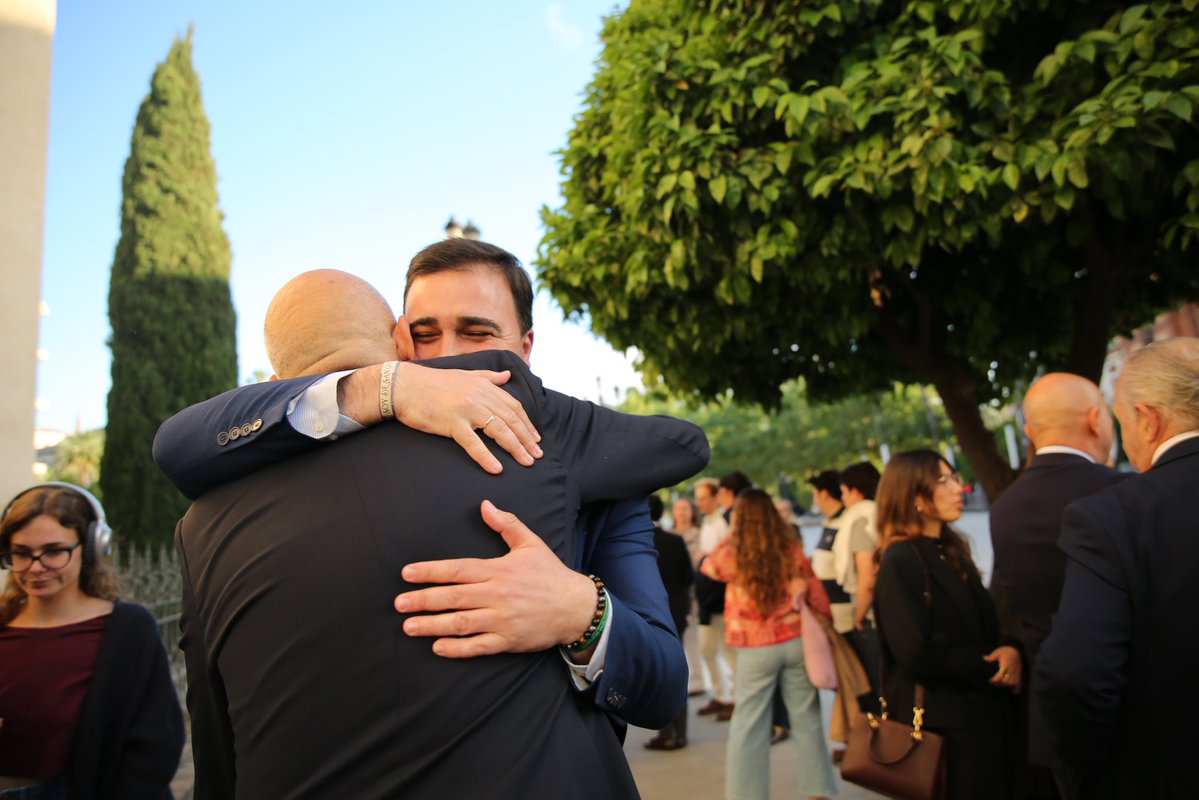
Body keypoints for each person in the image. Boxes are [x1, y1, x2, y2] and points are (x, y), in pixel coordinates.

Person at [170, 267, 707, 797]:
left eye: (476, 335)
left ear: (524, 347)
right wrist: (383, 386)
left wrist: (580, 611)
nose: (448, 357)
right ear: (401, 341)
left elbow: (660, 687)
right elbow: (177, 444)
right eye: (426, 335)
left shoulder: (566, 448)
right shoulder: (223, 507)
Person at [1036, 337, 1199, 799]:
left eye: (1123, 422)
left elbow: (1076, 673)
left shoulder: (1114, 517)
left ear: (1148, 421)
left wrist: (1082, 774)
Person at [0, 483, 183, 800]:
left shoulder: (128, 629)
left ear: (91, 548)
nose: (35, 567)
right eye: (21, 553)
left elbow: (156, 741)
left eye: (54, 551)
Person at [988, 372, 1124, 798]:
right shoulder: (1123, 491)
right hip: (1128, 709)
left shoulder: (1004, 507)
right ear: (1096, 420)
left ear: (1029, 432)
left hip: (1051, 713)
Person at [873, 451, 1020, 800]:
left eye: (956, 478)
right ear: (915, 497)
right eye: (945, 480)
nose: (959, 488)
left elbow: (981, 623)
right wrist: (989, 665)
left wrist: (1009, 649)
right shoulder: (900, 559)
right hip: (942, 726)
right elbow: (915, 650)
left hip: (979, 717)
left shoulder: (948, 549)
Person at [700, 489, 837, 800]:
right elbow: (815, 589)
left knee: (749, 724)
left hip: (754, 645)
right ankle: (818, 791)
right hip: (795, 640)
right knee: (807, 717)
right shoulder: (789, 545)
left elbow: (709, 567)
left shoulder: (733, 551)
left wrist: (735, 531)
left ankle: (746, 795)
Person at [645, 495, 694, 751]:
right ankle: (681, 731)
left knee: (657, 674)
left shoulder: (635, 543)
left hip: (648, 615)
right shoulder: (675, 541)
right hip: (676, 612)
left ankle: (666, 732)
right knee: (676, 668)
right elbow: (688, 577)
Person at [693, 478, 734, 718]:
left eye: (704, 498)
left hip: (721, 591)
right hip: (706, 592)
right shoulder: (707, 523)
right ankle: (720, 695)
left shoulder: (723, 522)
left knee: (730, 648)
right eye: (697, 498)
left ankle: (735, 698)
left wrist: (707, 558)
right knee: (707, 647)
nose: (700, 503)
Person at [670, 496, 705, 696]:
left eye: (685, 508)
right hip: (678, 591)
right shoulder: (670, 535)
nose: (682, 512)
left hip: (696, 588)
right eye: (678, 508)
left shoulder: (700, 534)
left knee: (693, 635)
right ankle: (687, 678)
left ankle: (698, 679)